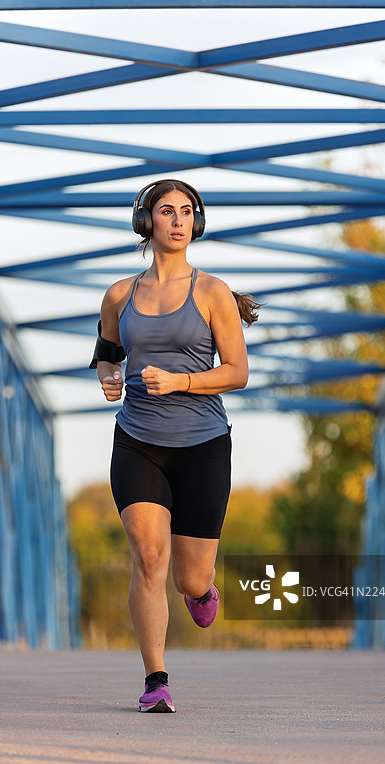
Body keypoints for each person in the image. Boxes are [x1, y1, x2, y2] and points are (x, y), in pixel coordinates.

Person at [90, 179, 260, 713]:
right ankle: (155, 680)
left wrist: (182, 381)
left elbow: (238, 373)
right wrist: (109, 376)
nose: (179, 220)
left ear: (197, 223)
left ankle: (202, 590)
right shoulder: (120, 294)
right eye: (167, 212)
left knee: (190, 575)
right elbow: (107, 349)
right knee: (148, 557)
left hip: (203, 445)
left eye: (188, 212)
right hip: (138, 441)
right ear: (147, 222)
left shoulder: (212, 293)